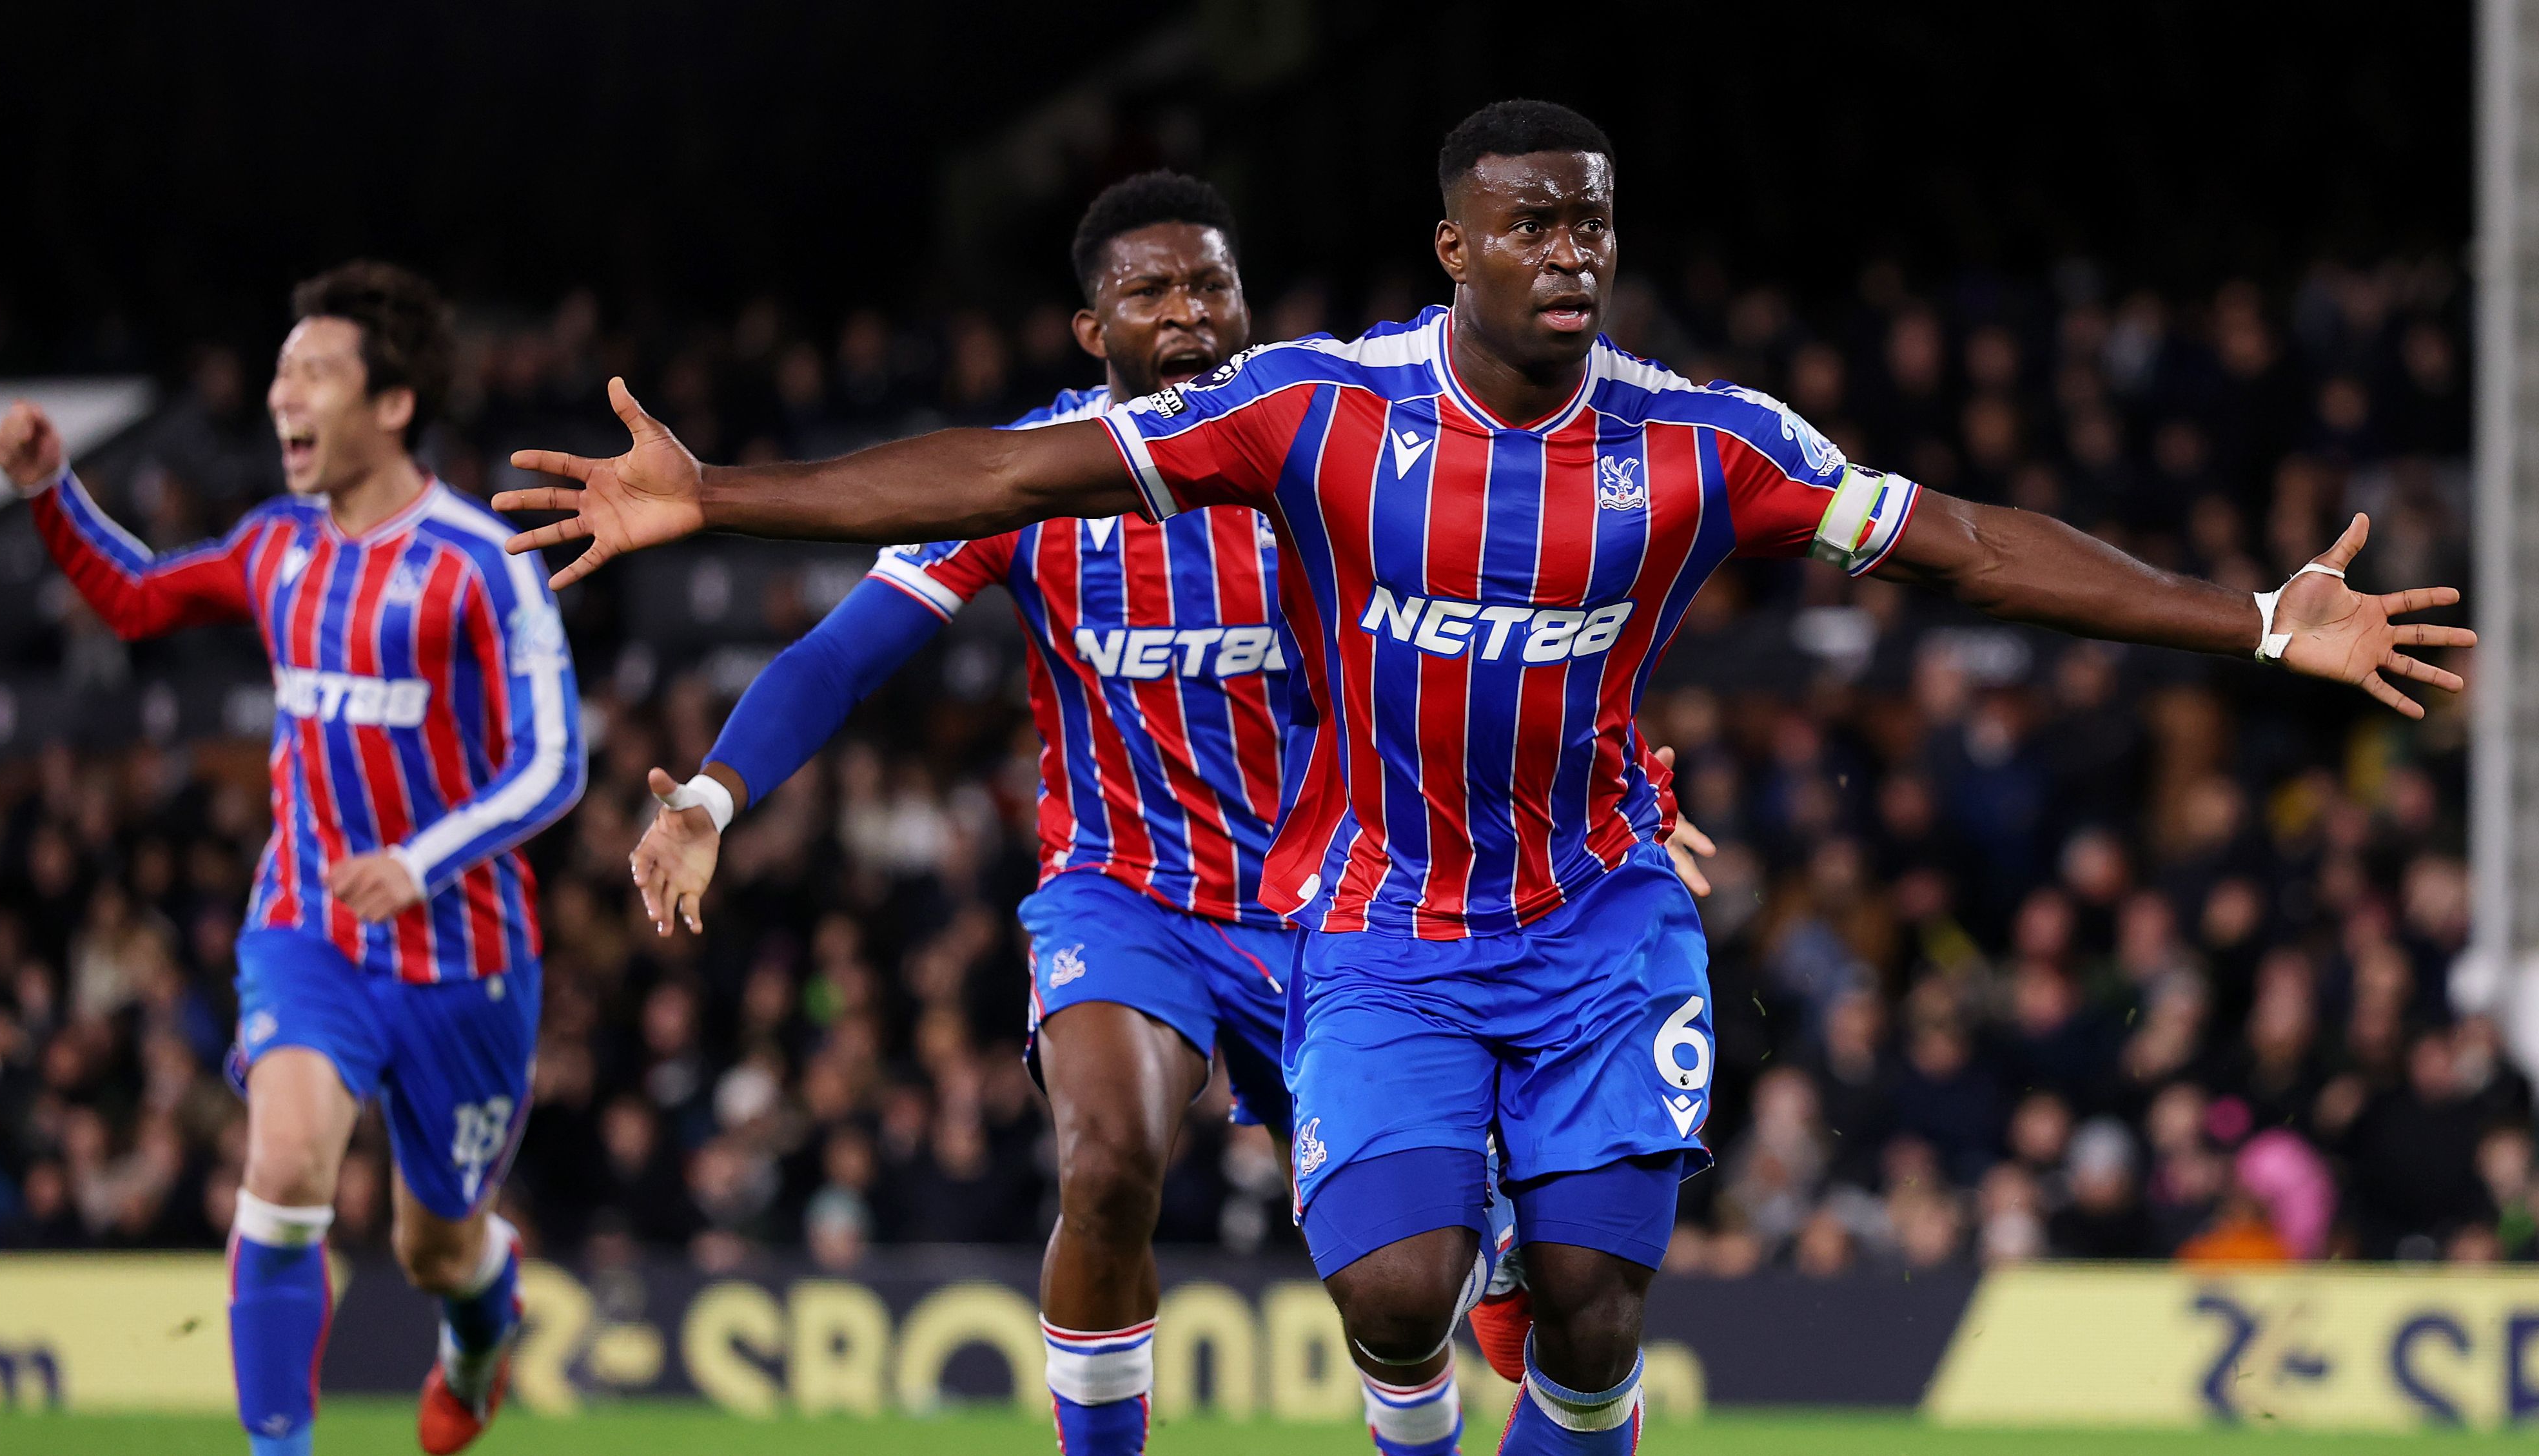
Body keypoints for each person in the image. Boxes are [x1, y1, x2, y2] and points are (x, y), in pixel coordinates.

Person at [496, 100, 2467, 1453]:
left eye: (1595, 220)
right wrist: (724, 527)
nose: (1572, 251)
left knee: (1595, 1309)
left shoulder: (1707, 438)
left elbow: (1957, 538)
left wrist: (2251, 623)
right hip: (1328, 915)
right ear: (1455, 250)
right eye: (1531, 222)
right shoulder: (1305, 424)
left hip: (1587, 906)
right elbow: (960, 516)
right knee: (1365, 1282)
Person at [0, 261, 585, 1456]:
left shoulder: (481, 557)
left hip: (461, 955)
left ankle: (483, 1320)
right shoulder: (275, 547)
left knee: (436, 1246)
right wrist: (54, 489)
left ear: (394, 405)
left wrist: (420, 861)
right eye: (279, 373)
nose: (281, 398)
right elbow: (141, 600)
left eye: (313, 373)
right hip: (309, 923)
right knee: (283, 1175)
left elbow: (555, 763)